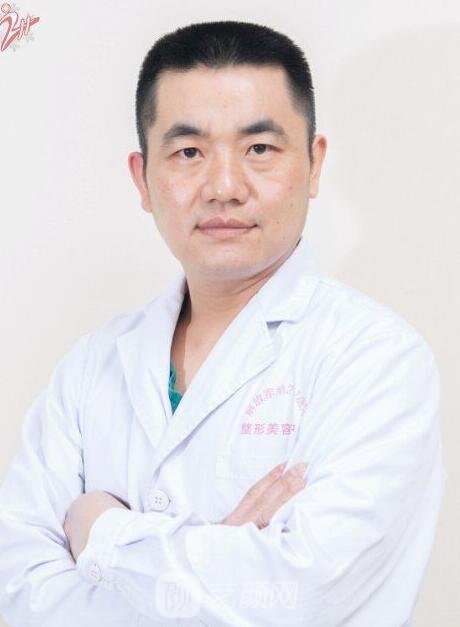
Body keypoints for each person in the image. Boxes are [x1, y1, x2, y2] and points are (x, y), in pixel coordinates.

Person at [0, 20, 447, 627]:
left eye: (259, 149)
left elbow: (304, 596)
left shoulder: (377, 361)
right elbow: (19, 589)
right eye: (189, 152)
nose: (225, 187)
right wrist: (222, 563)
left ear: (314, 164)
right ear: (142, 179)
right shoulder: (89, 368)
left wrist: (103, 532)